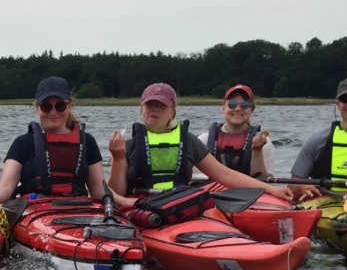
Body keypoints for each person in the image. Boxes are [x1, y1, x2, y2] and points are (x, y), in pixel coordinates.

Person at [108, 83, 293, 205]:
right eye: (150, 105)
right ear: (141, 110)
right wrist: (117, 158)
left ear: (172, 112)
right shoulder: (127, 146)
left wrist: (272, 191)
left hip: (176, 205)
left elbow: (225, 175)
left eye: (161, 105)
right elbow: (116, 193)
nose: (155, 109)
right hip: (139, 207)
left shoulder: (188, 141)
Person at [0, 77, 104, 203]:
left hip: (78, 209)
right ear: (37, 108)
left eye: (60, 106)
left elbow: (99, 191)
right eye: (46, 107)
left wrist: (126, 202)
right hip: (35, 211)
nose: (53, 112)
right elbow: (5, 188)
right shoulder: (22, 143)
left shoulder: (88, 141)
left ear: (69, 105)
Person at [204, 84, 271, 180]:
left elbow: (263, 182)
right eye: (232, 104)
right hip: (213, 192)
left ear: (251, 110)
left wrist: (257, 151)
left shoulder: (264, 142)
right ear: (223, 108)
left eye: (245, 105)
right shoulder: (205, 140)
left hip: (248, 193)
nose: (238, 109)